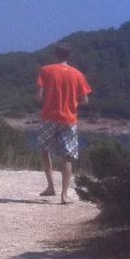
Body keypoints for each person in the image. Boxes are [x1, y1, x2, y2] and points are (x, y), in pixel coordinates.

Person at [37, 44, 91, 204]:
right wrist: (71, 101)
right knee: (67, 156)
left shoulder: (45, 70)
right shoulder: (78, 74)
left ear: (56, 55)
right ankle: (64, 195)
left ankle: (50, 187)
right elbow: (85, 100)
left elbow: (39, 96)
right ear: (69, 55)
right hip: (69, 119)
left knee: (44, 150)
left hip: (48, 116)